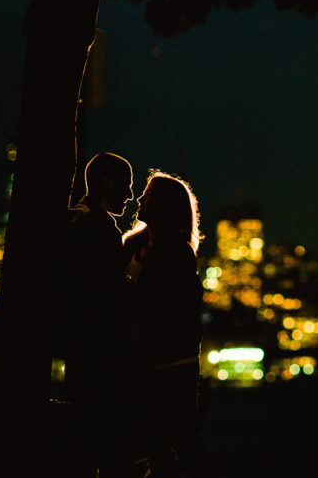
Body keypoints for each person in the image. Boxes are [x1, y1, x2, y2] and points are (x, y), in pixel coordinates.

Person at [122, 170, 216, 477]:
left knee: (180, 442)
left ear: (162, 205)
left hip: (172, 366)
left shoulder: (176, 252)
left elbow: (169, 308)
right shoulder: (132, 246)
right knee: (156, 444)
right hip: (147, 364)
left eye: (147, 196)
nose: (139, 200)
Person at [55, 152, 140, 476]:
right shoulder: (99, 228)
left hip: (79, 354)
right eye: (126, 186)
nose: (129, 195)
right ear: (107, 183)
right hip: (100, 359)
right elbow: (109, 297)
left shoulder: (75, 219)